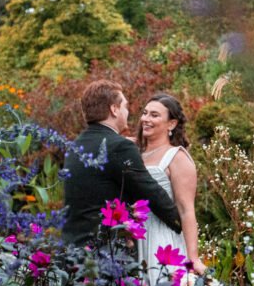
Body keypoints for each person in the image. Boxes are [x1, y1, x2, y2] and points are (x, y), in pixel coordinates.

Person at [61, 80, 182, 247]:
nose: (129, 111)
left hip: (73, 247)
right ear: (114, 109)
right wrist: (180, 224)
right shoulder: (119, 146)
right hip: (104, 252)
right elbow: (149, 192)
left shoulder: (76, 146)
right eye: (125, 106)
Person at [136, 93, 206, 286]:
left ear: (171, 123)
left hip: (162, 239)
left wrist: (193, 258)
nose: (146, 119)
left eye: (155, 115)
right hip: (136, 236)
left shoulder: (177, 157)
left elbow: (186, 210)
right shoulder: (135, 153)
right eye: (145, 113)